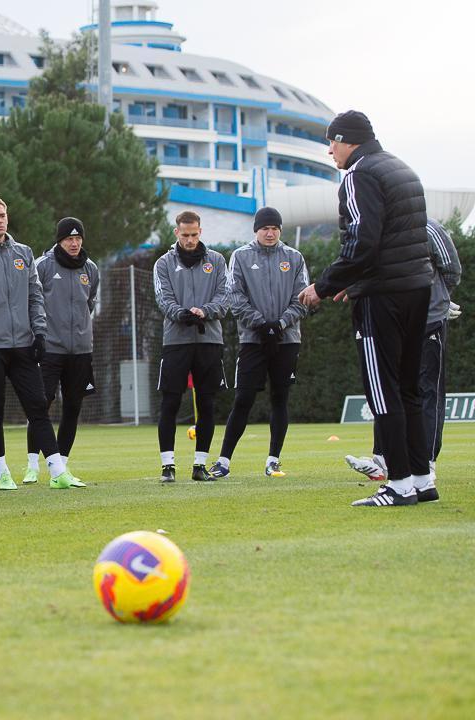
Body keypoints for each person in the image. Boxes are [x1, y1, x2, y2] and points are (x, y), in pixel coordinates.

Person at [298, 110, 433, 507]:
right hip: (416, 288)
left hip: (383, 296)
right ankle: (422, 479)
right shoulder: (401, 168)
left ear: (347, 140)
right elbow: (395, 240)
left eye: (332, 142)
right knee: (408, 389)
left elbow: (363, 241)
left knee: (383, 391)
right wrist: (352, 279)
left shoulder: (359, 174)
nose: (330, 151)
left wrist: (324, 286)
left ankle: (399, 484)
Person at [0, 196, 74, 490]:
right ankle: (2, 472)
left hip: (23, 345)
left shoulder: (23, 253)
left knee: (38, 408)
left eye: (3, 215)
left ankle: (58, 471)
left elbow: (35, 296)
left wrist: (40, 334)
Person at [343, 218, 459, 502]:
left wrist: (437, 300)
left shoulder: (429, 228)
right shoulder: (375, 228)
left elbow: (451, 270)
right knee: (388, 389)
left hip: (429, 321)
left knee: (426, 391)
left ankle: (426, 464)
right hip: (393, 322)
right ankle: (383, 458)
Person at [206, 207, 308, 479]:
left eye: (275, 228)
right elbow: (234, 296)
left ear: (280, 230)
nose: (270, 233)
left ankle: (273, 460)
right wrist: (262, 324)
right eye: (265, 228)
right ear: (256, 230)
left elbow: (302, 298)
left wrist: (280, 324)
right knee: (243, 398)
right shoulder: (241, 256)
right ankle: (223, 462)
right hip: (253, 339)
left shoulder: (294, 257)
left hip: (287, 340)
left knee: (280, 398)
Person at [153, 210, 229, 483]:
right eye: (185, 235)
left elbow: (225, 296)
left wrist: (204, 311)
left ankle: (200, 465)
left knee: (207, 402)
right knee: (170, 402)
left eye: (194, 234)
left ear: (200, 231)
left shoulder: (217, 261)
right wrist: (182, 313)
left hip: (209, 341)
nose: (189, 239)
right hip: (176, 340)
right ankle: (168, 467)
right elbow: (163, 298)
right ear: (177, 232)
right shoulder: (163, 263)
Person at [25, 217, 98, 486]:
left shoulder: (90, 268)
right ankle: (32, 465)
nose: (74, 243)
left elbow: (89, 302)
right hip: (49, 349)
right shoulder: (42, 266)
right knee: (40, 406)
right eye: (69, 238)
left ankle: (62, 467)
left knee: (73, 407)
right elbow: (31, 302)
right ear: (59, 240)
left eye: (78, 238)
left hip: (81, 350)